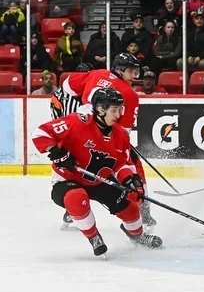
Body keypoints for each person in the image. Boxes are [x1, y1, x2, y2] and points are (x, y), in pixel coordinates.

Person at [32, 88, 163, 256]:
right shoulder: (78, 122)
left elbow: (122, 164)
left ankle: (137, 236)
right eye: (114, 110)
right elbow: (41, 133)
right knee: (76, 198)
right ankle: (94, 237)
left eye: (120, 109)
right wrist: (58, 153)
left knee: (130, 209)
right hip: (68, 179)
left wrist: (131, 179)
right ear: (101, 109)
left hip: (100, 180)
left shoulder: (121, 135)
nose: (118, 115)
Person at [49, 53, 157, 231]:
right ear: (121, 70)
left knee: (78, 168)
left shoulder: (97, 73)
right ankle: (142, 209)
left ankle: (71, 211)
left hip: (80, 129)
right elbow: (123, 131)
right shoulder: (129, 94)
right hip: (103, 135)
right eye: (132, 71)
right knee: (132, 166)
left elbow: (67, 86)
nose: (135, 76)